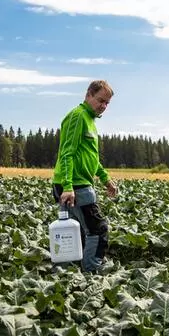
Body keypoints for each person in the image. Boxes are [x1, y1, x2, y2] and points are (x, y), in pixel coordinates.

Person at [51, 80, 118, 273]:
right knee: (98, 229)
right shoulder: (78, 117)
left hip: (80, 184)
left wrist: (106, 179)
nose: (103, 106)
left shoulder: (90, 121)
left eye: (107, 103)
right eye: (100, 100)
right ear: (88, 95)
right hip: (75, 185)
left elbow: (91, 158)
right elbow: (66, 153)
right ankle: (92, 271)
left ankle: (70, 273)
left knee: (79, 232)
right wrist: (68, 186)